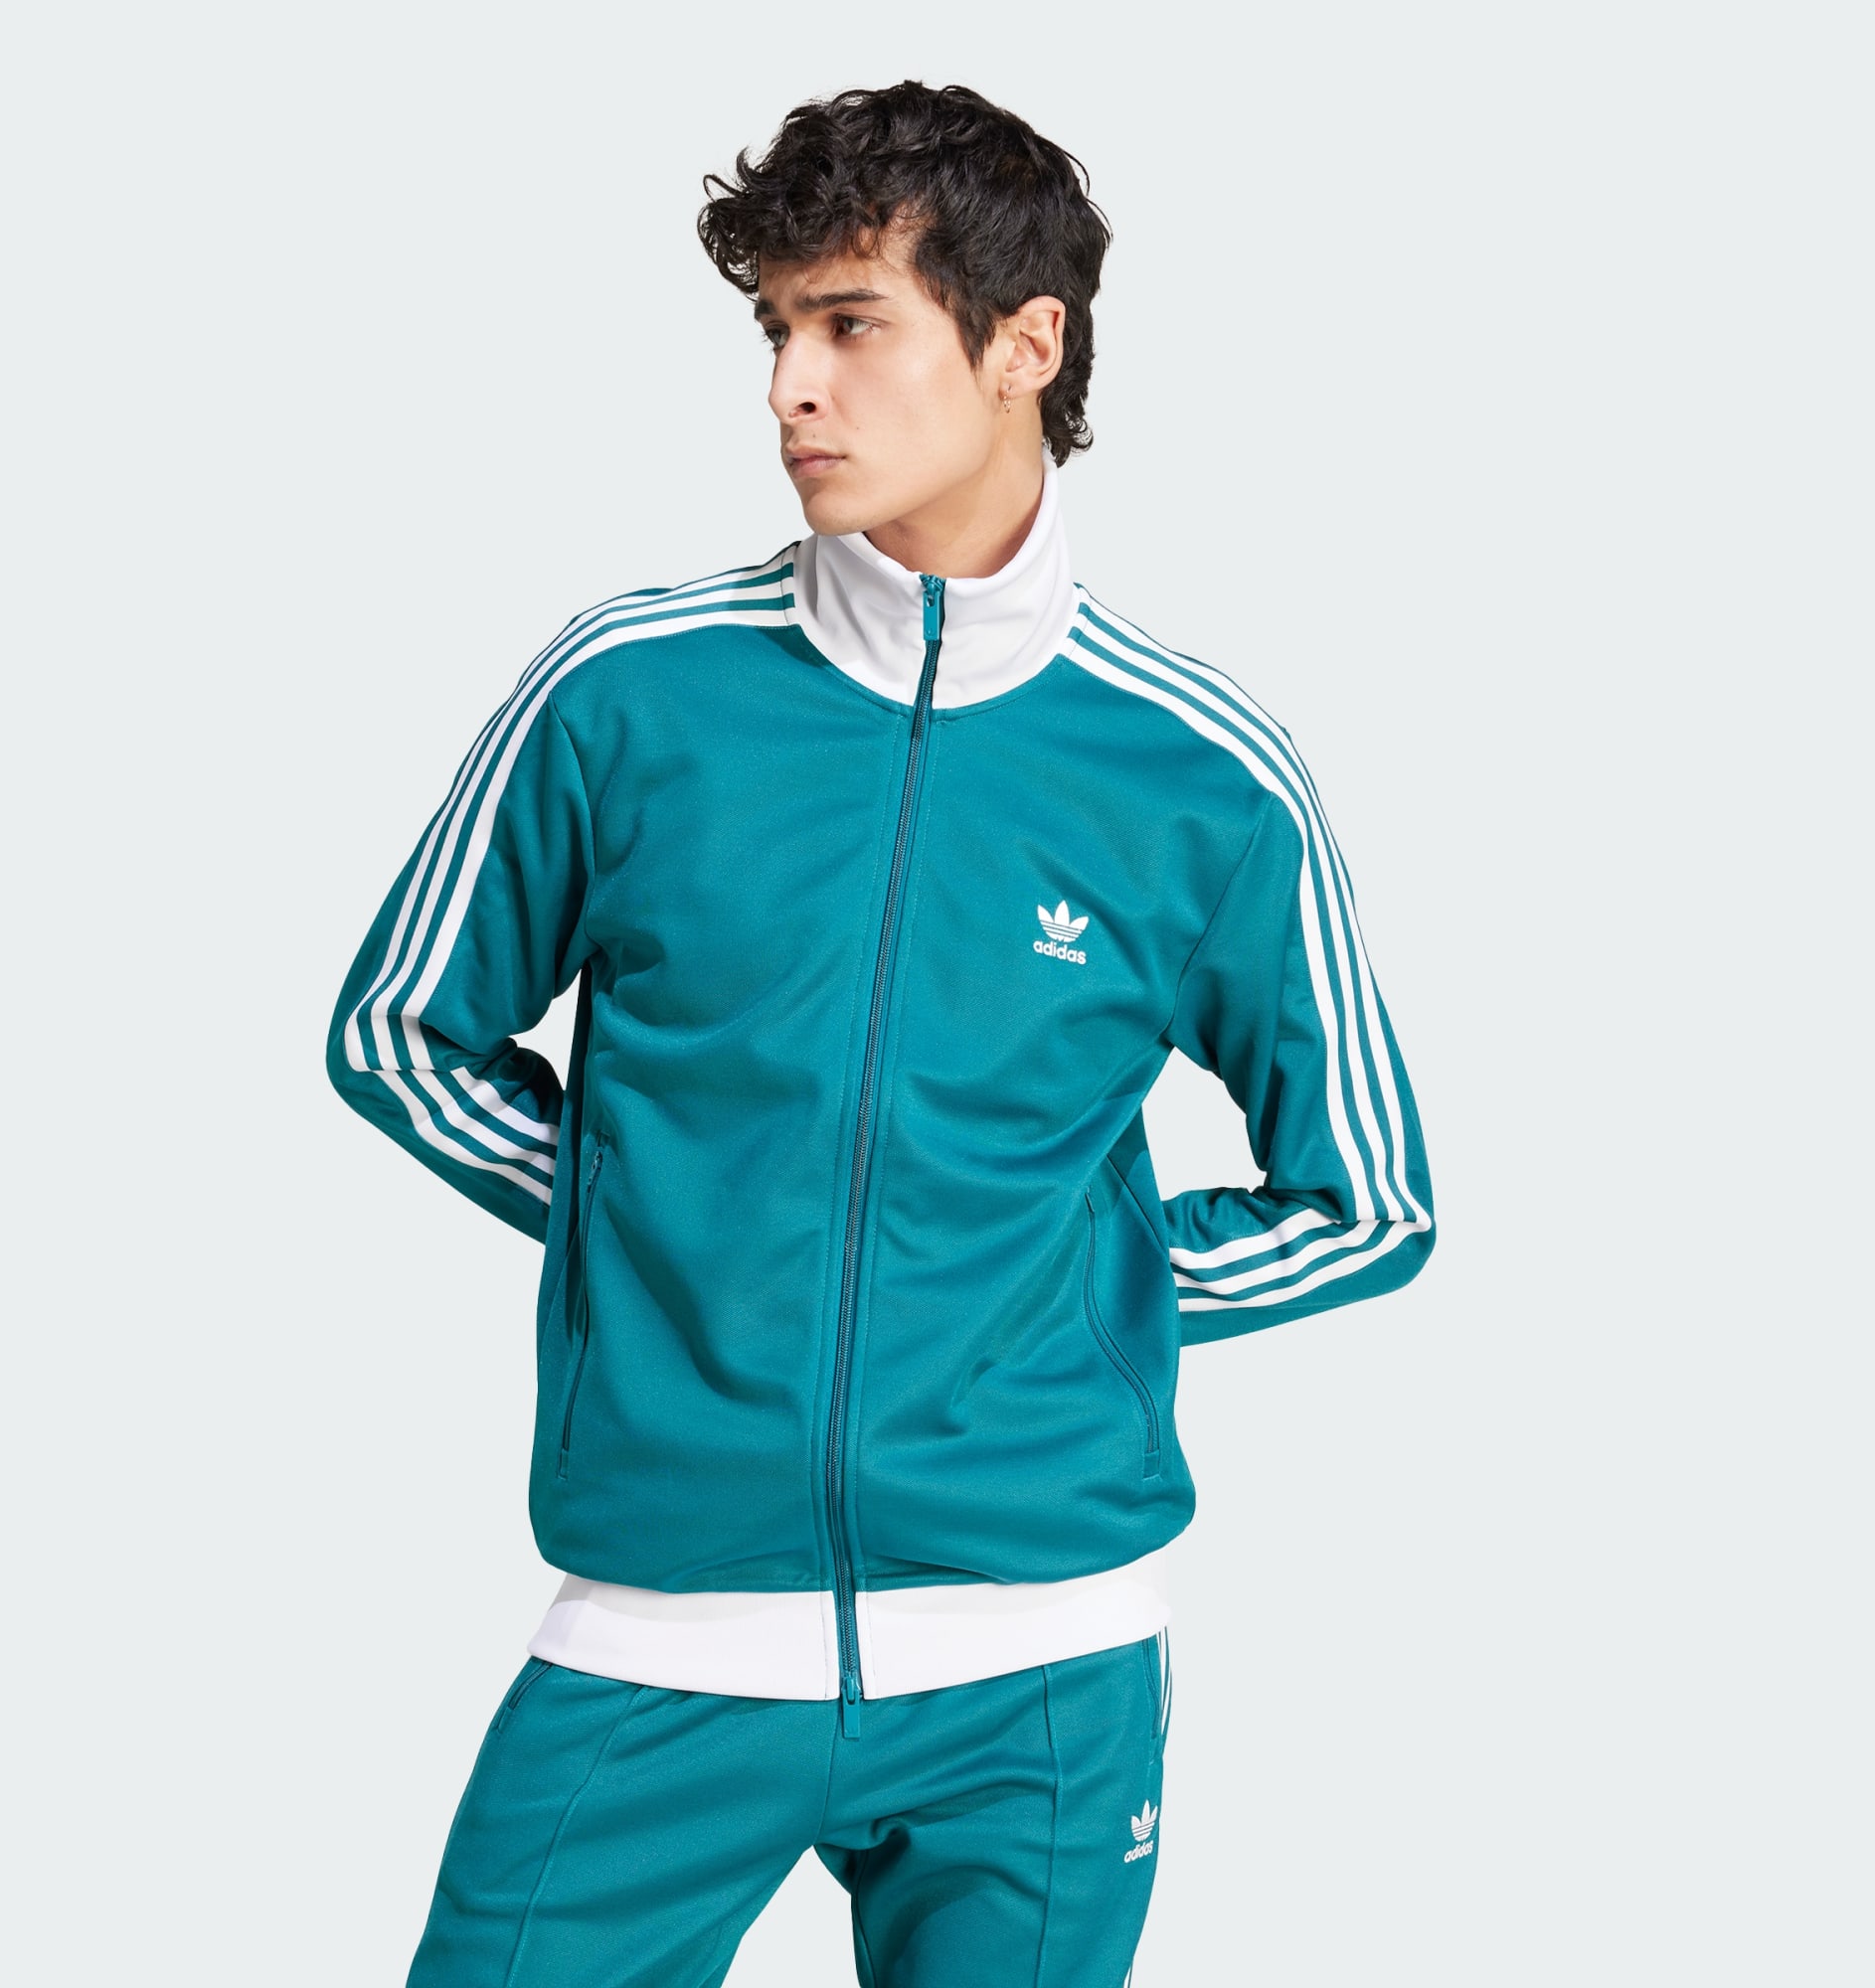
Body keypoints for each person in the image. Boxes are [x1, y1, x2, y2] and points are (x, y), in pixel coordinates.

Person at [326, 77, 1435, 1988]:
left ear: (1025, 347)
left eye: (849, 325)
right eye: (775, 331)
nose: (790, 389)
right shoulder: (628, 694)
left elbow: (1371, 1197)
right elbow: (401, 1033)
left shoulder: (1199, 774)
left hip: (1045, 1670)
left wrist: (1074, 1300)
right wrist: (659, 1228)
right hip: (666, 1637)